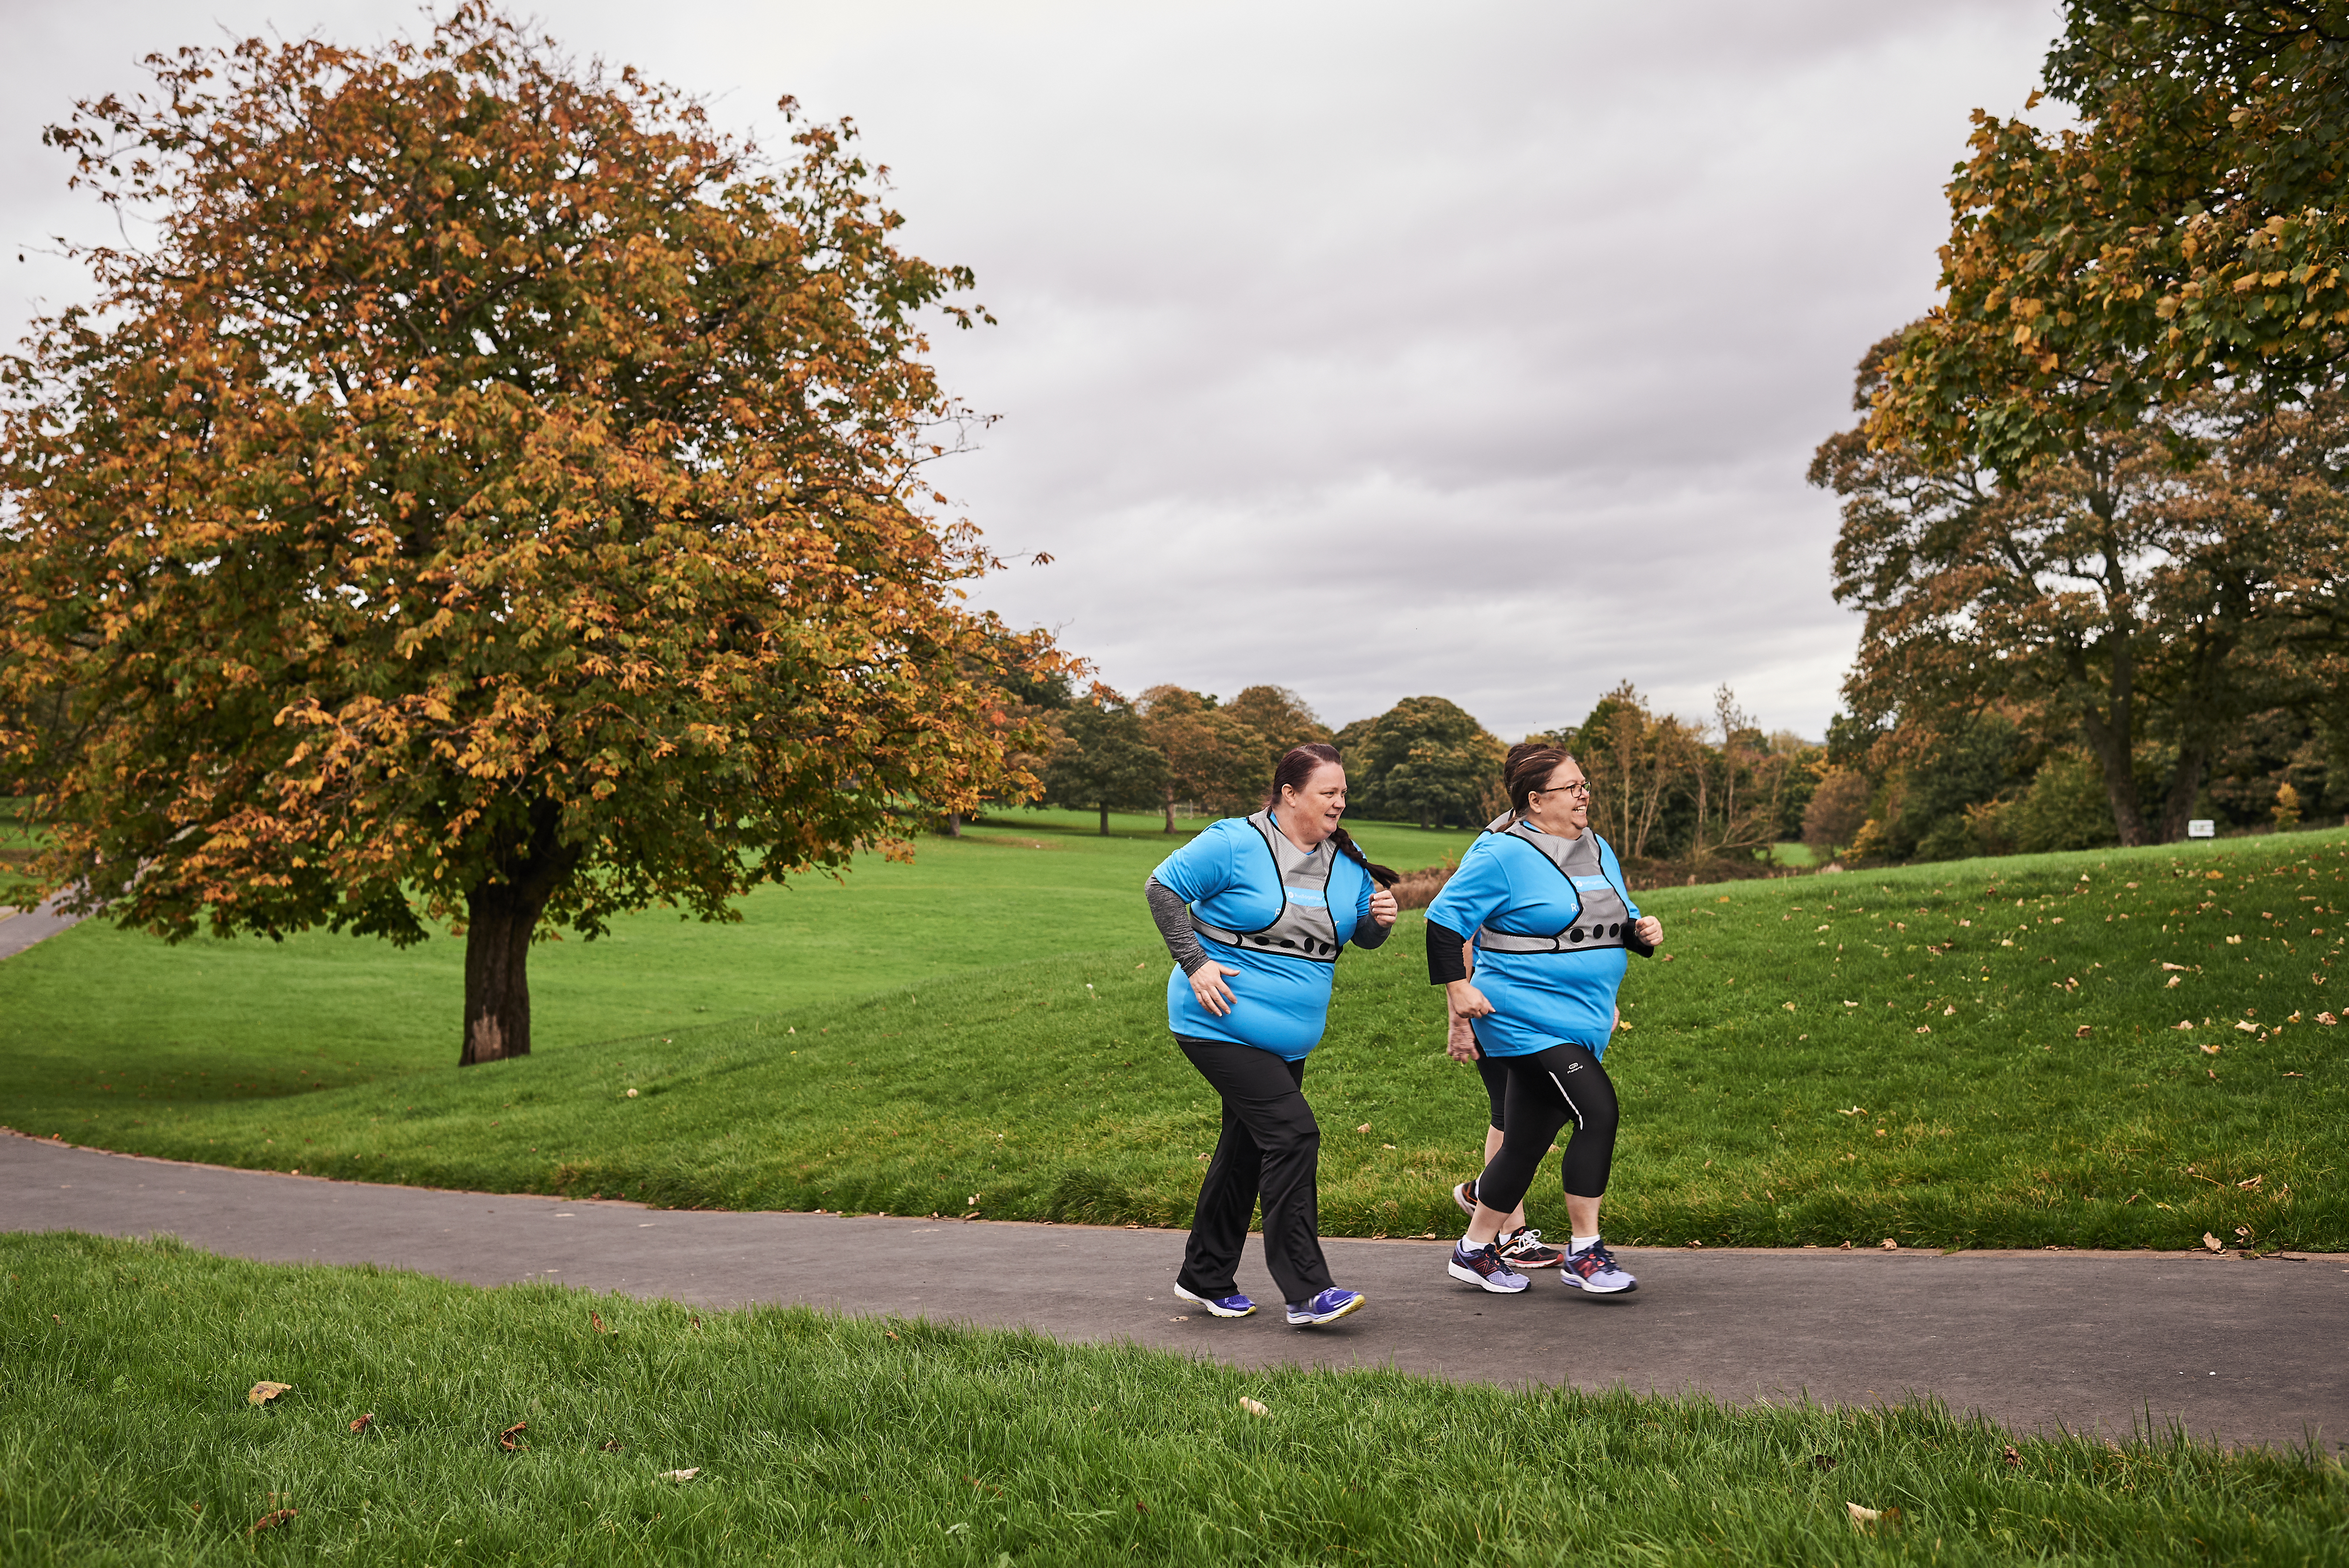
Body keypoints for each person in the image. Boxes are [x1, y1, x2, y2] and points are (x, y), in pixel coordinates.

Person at [1146, 743, 1399, 1327]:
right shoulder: (1235, 842)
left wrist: (1378, 921)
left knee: (1246, 1150)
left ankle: (1204, 1275)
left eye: (1343, 793)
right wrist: (1195, 964)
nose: (1339, 802)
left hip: (1289, 1038)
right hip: (1218, 1020)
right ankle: (1307, 1290)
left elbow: (1359, 936)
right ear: (1289, 794)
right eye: (1327, 792)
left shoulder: (1347, 861)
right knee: (1292, 1134)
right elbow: (1162, 889)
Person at [1423, 745, 1661, 1297]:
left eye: (1584, 784)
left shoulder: (1596, 847)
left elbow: (1612, 922)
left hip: (1584, 1018)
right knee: (1597, 1112)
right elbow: (1443, 922)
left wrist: (1641, 934)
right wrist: (1458, 990)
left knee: (1526, 1142)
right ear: (1535, 801)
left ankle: (1475, 1250)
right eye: (1571, 787)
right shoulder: (1501, 853)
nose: (1584, 795)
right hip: (1520, 1017)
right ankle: (1585, 1253)